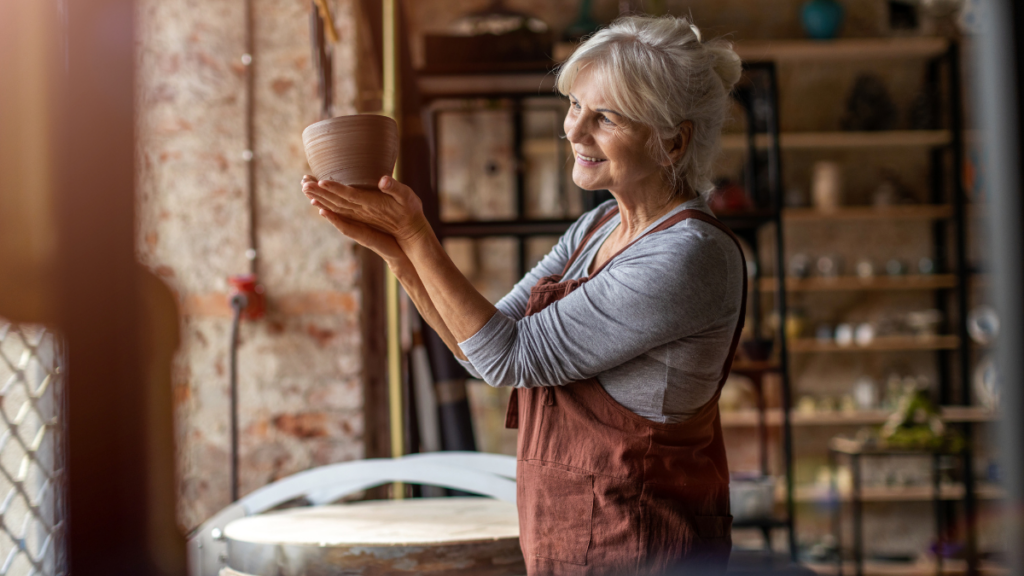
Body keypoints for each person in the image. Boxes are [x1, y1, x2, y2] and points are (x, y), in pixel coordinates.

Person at [302, 14, 745, 576]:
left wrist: (416, 234)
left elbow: (508, 356)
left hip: (646, 553)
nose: (575, 131)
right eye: (576, 106)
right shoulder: (598, 227)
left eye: (605, 117)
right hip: (571, 548)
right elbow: (479, 351)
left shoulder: (688, 256)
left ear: (672, 141)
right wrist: (396, 252)